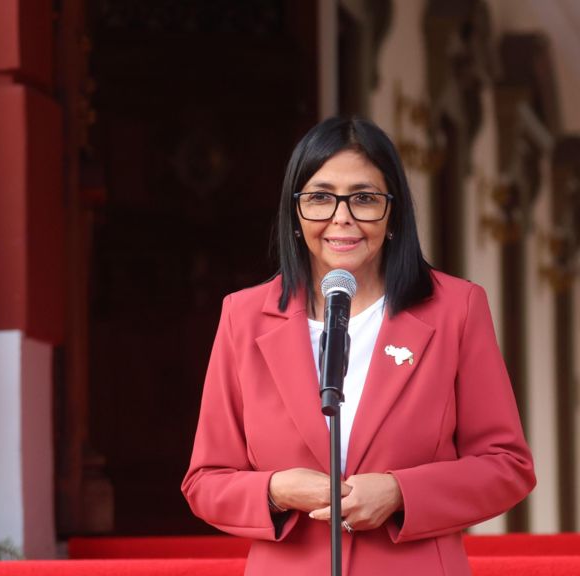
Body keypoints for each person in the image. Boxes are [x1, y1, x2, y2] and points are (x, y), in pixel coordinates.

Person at [181, 116, 534, 575]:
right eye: (320, 197)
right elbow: (205, 481)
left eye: (364, 198)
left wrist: (401, 493)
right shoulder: (243, 317)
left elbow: (507, 466)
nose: (341, 217)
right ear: (295, 212)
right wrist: (276, 489)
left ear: (393, 213)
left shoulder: (456, 309)